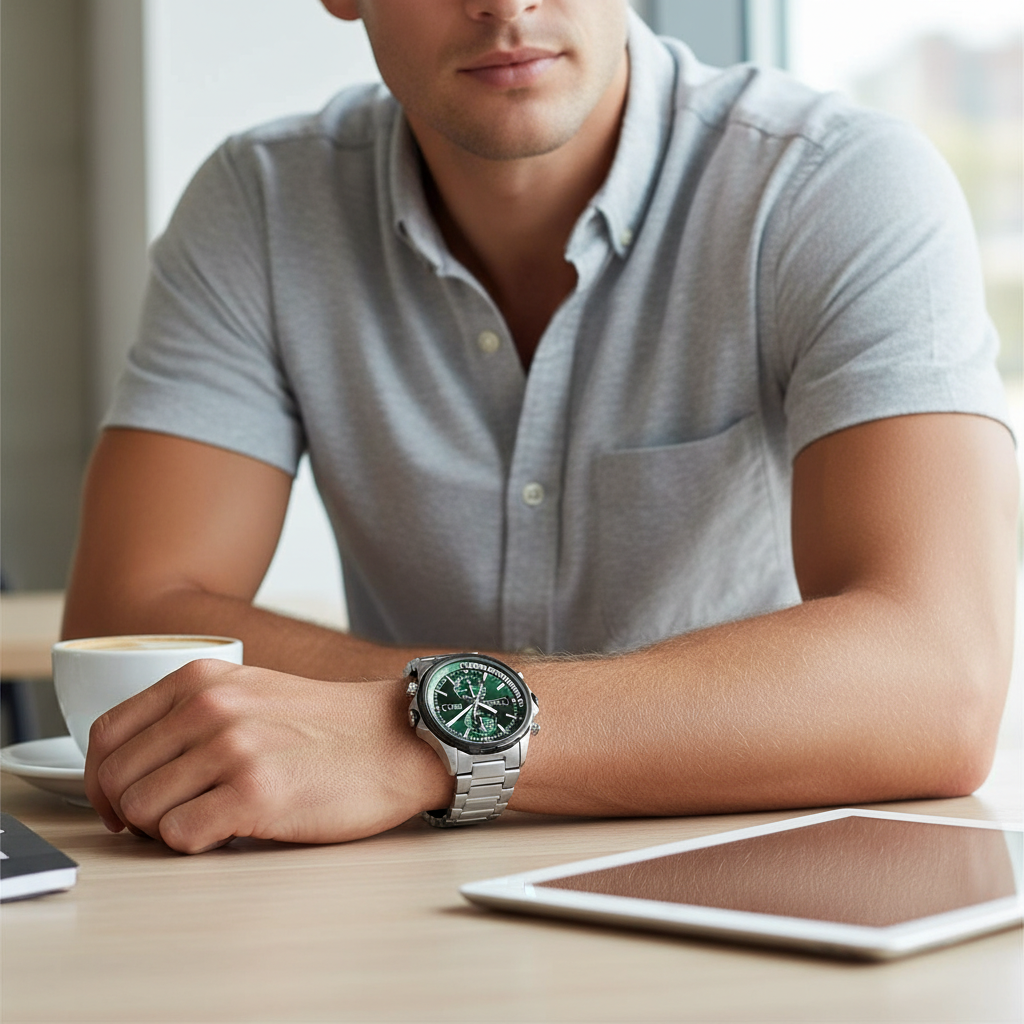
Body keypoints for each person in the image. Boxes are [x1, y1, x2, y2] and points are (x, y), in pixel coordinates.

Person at [64, 0, 1016, 854]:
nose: (505, 4)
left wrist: (412, 733)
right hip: (398, 880)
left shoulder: (832, 181)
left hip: (749, 860)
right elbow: (128, 620)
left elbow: (938, 679)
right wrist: (439, 731)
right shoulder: (262, 204)